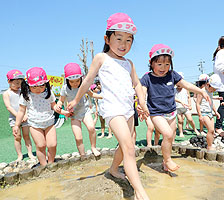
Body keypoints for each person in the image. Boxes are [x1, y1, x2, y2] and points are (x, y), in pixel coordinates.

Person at [67, 13, 149, 200]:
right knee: (129, 148)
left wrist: (142, 103)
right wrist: (76, 99)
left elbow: (137, 84)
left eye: (128, 40)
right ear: (107, 39)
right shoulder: (101, 58)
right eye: (118, 38)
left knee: (127, 144)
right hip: (112, 110)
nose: (123, 44)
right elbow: (87, 81)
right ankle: (140, 192)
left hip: (128, 109)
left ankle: (113, 169)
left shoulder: (129, 63)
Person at [140, 44, 210, 172]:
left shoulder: (172, 75)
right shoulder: (147, 78)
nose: (163, 68)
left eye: (167, 64)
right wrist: (141, 105)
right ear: (151, 63)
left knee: (170, 137)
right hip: (156, 113)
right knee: (166, 134)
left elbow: (186, 84)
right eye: (159, 64)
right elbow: (142, 93)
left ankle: (165, 162)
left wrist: (201, 91)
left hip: (171, 112)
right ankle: (167, 160)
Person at [13, 67, 69, 166]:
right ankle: (43, 166)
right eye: (34, 87)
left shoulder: (48, 93)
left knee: (52, 144)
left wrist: (63, 112)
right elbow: (21, 111)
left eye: (41, 86)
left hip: (49, 123)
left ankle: (51, 164)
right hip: (35, 125)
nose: (38, 89)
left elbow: (53, 106)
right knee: (40, 145)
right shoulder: (26, 95)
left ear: (45, 84)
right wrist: (17, 125)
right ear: (28, 85)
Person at [55, 63, 102, 157]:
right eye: (71, 81)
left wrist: (103, 96)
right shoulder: (65, 88)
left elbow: (92, 94)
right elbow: (61, 100)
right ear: (67, 80)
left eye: (77, 81)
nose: (74, 83)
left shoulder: (83, 86)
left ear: (81, 78)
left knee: (91, 128)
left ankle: (93, 147)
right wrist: (59, 105)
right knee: (78, 137)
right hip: (74, 115)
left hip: (85, 112)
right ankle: (82, 154)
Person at [3, 69, 35, 161]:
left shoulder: (23, 92)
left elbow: (27, 104)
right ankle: (19, 155)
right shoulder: (7, 93)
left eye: (20, 83)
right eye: (16, 83)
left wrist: (25, 115)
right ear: (9, 81)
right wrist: (19, 117)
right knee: (17, 137)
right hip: (14, 118)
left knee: (26, 135)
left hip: (25, 118)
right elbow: (8, 107)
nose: (18, 85)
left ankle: (30, 153)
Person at [195, 74, 221, 151]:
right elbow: (197, 103)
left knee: (212, 130)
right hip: (204, 113)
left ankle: (210, 143)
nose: (213, 91)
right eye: (213, 89)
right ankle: (209, 146)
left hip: (210, 113)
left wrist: (215, 111)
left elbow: (211, 103)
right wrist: (200, 115)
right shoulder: (202, 91)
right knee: (211, 130)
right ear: (208, 85)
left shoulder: (210, 92)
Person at [175, 72, 200, 137]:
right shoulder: (174, 90)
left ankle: (195, 129)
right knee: (180, 120)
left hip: (186, 107)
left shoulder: (185, 89)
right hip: (178, 107)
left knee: (190, 119)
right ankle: (181, 132)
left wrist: (190, 104)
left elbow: (188, 97)